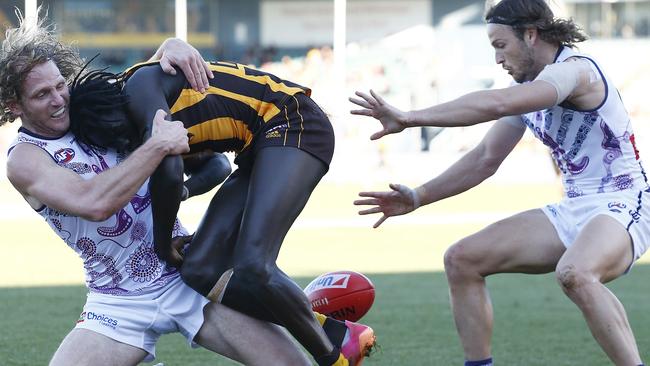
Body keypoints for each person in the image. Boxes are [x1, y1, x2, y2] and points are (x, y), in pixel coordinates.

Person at [1, 14, 311, 366]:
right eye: (42, 95)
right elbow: (94, 202)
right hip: (117, 301)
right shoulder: (24, 158)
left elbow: (141, 79)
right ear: (14, 106)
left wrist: (171, 47)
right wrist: (158, 145)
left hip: (185, 272)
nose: (59, 99)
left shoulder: (92, 108)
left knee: (290, 364)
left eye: (60, 85)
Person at [350, 0, 648, 365]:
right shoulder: (526, 89)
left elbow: (497, 104)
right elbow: (484, 159)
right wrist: (418, 197)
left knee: (575, 272)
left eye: (500, 45)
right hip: (575, 206)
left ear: (531, 35)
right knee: (462, 259)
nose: (497, 59)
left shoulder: (574, 71)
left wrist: (411, 117)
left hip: (623, 201)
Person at [67, 51, 377, 365]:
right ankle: (336, 334)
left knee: (253, 263)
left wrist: (161, 243)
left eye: (116, 131)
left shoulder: (136, 86)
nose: (122, 140)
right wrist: (183, 191)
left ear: (110, 106)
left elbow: (171, 167)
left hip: (293, 121)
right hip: (259, 146)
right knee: (198, 268)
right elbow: (216, 165)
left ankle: (333, 358)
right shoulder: (147, 115)